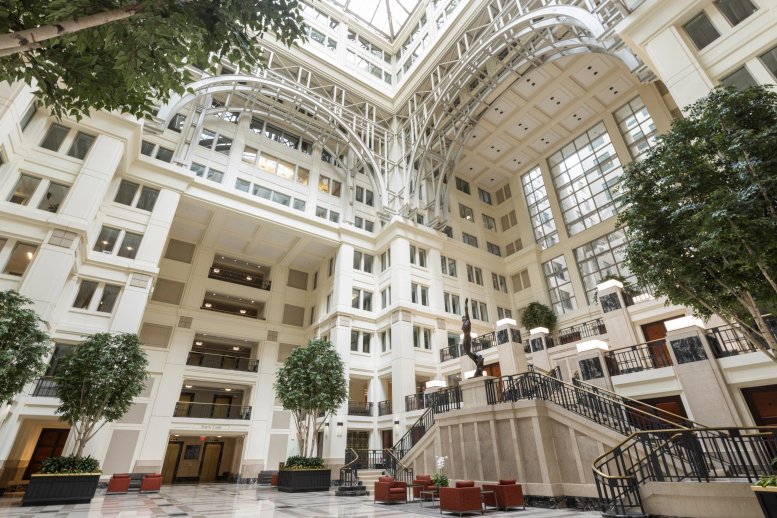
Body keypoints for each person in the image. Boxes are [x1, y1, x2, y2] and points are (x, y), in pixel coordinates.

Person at [462, 298, 484, 376]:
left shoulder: (468, 321)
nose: (463, 318)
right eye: (463, 318)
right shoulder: (464, 323)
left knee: (468, 351)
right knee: (466, 352)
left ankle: (477, 357)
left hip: (467, 338)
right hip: (464, 338)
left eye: (464, 317)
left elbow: (466, 311)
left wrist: (465, 304)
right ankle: (477, 361)